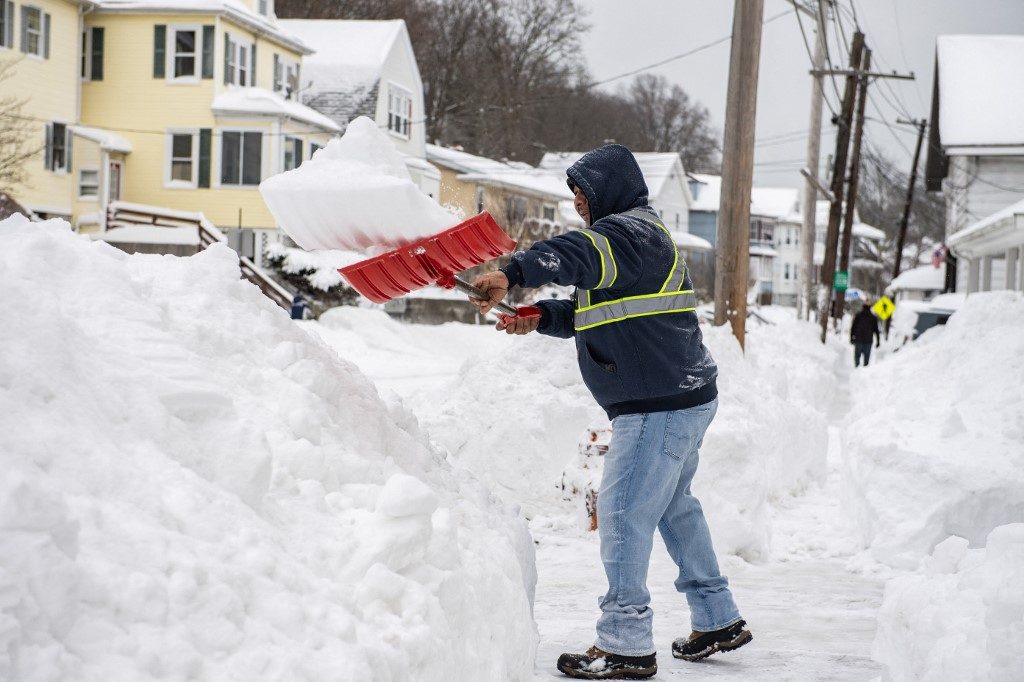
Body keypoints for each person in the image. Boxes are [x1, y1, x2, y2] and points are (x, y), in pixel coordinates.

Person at [470, 145, 750, 680]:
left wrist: (515, 272)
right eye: (573, 194)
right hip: (680, 396)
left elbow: (578, 254)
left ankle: (625, 641)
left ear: (608, 191)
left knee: (622, 512)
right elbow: (594, 311)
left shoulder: (628, 235)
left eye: (583, 193)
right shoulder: (628, 243)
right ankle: (717, 617)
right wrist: (540, 315)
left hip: (658, 405)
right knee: (672, 507)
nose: (577, 203)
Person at [850, 302, 880, 367]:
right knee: (866, 358)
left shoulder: (858, 315)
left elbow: (853, 327)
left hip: (858, 339)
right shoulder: (873, 317)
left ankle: (857, 368)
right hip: (868, 340)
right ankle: (864, 371)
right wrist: (878, 341)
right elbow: (876, 330)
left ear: (863, 307)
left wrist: (851, 337)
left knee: (857, 356)